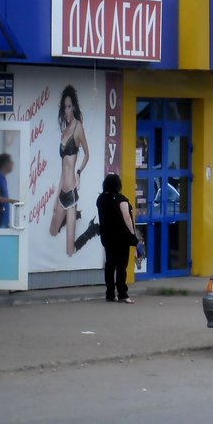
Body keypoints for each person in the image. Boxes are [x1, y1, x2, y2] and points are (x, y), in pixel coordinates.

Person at [49, 85, 95, 256]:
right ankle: (74, 218)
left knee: (70, 251)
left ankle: (90, 232)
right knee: (52, 231)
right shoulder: (63, 131)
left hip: (72, 196)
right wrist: (55, 199)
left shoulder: (78, 128)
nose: (67, 110)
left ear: (74, 107)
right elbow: (63, 169)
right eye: (64, 107)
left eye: (69, 106)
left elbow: (87, 154)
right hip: (62, 192)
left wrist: (79, 172)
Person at [96, 174, 138, 304]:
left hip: (107, 237)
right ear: (118, 185)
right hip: (121, 238)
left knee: (110, 265)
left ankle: (110, 294)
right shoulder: (121, 200)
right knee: (121, 266)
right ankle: (122, 294)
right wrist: (133, 235)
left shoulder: (101, 199)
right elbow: (127, 218)